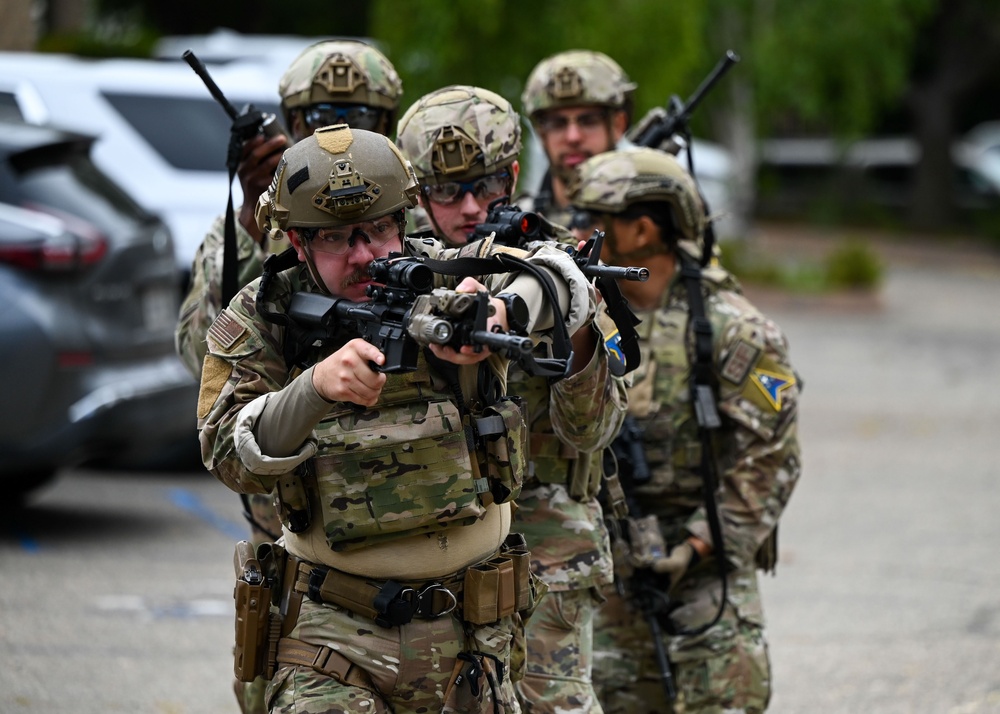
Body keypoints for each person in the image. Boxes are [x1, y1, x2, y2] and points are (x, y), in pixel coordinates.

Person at [198, 124, 597, 713]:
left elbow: (564, 279)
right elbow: (226, 451)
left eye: (380, 228)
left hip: (475, 634)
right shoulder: (264, 314)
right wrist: (313, 389)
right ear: (298, 243)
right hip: (334, 637)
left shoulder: (451, 272)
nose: (363, 253)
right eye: (336, 238)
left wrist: (503, 311)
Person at [174, 39, 403, 714]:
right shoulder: (241, 233)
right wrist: (259, 225)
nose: (334, 133)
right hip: (298, 519)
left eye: (359, 116)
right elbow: (201, 355)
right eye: (316, 116)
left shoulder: (407, 223)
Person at [397, 84, 628, 713]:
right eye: (447, 191)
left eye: (488, 183)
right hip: (423, 559)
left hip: (544, 554)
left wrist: (571, 317)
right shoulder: (389, 268)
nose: (470, 206)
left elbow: (593, 429)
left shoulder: (560, 263)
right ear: (416, 192)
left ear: (516, 174)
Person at [568, 147, 802, 714]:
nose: (575, 234)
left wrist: (696, 546)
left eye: (592, 220)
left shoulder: (732, 331)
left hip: (705, 566)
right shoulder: (580, 318)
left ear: (643, 229)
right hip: (613, 565)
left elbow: (772, 459)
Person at [520, 50, 636, 229]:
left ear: (618, 125)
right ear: (542, 134)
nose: (573, 137)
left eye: (589, 121)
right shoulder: (520, 223)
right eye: (557, 123)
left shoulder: (647, 221)